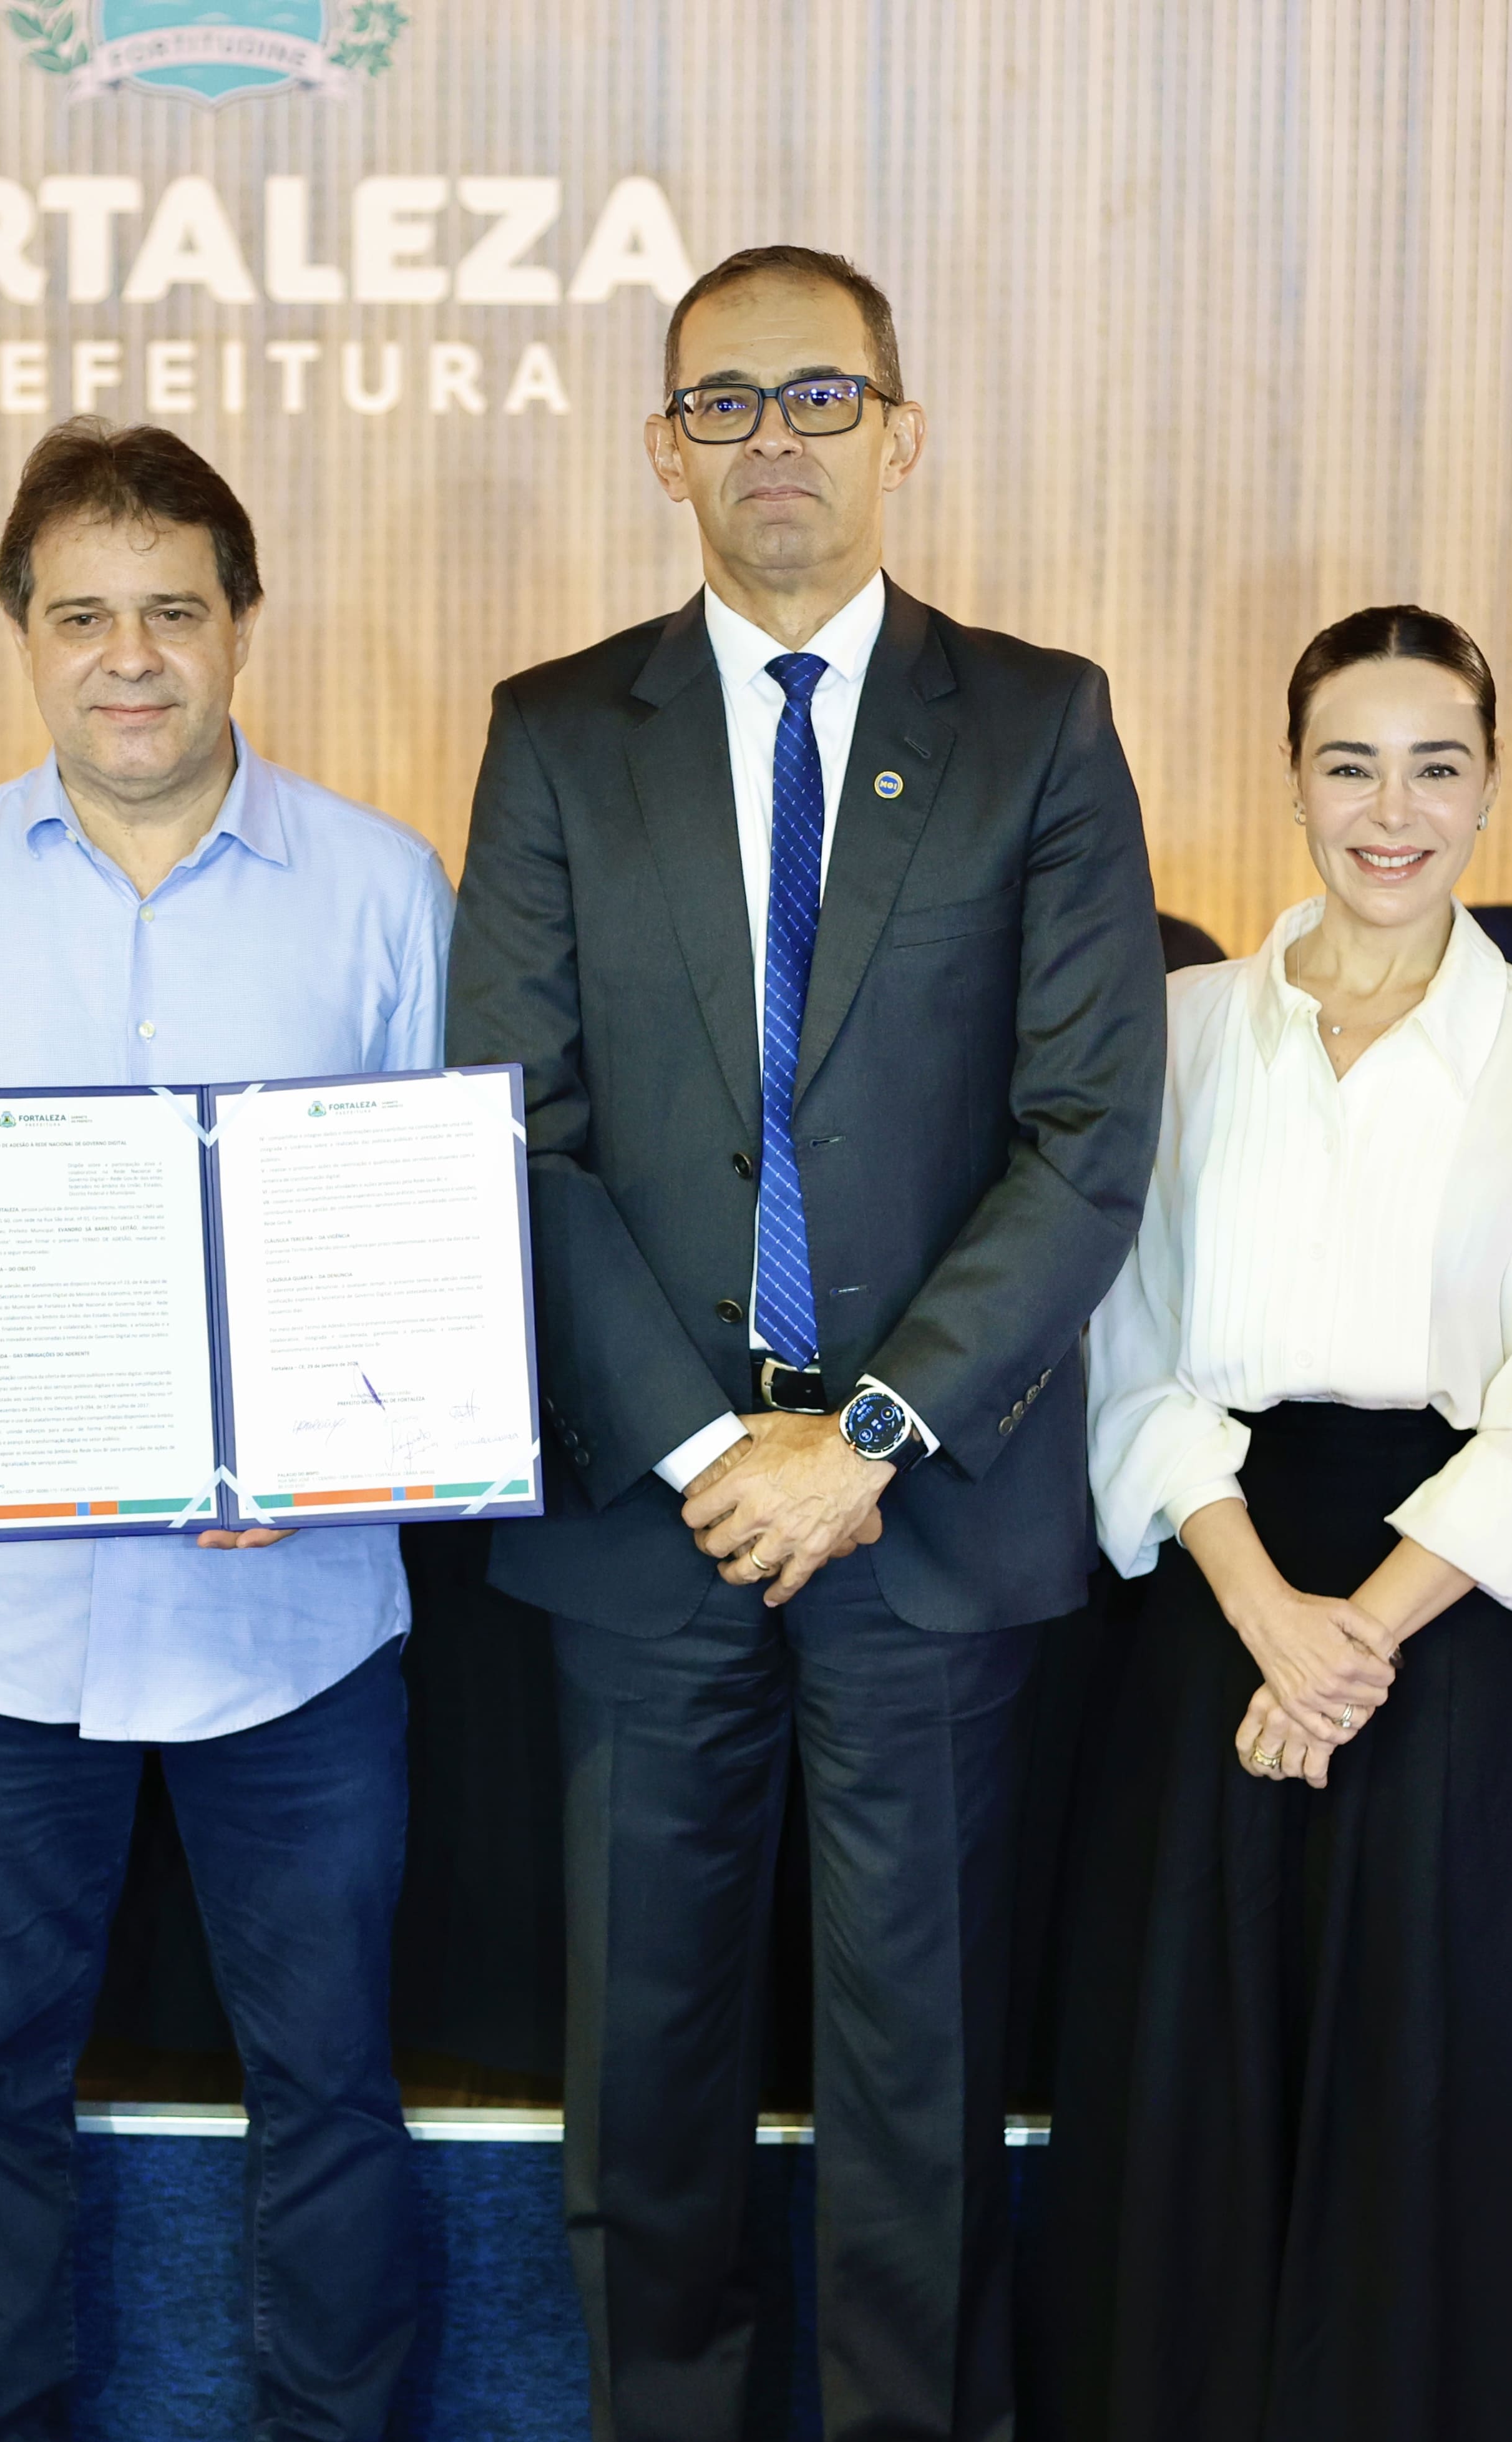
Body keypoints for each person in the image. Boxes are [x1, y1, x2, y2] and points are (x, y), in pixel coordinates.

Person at [446, 244, 1167, 2440]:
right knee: (644, 2078)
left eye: (821, 396)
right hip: (648, 1516)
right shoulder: (558, 733)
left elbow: (1087, 1134)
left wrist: (859, 1437)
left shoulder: (1037, 720)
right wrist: (705, 1450)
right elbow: (519, 1130)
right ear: (665, 450)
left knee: (917, 2085)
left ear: (902, 432)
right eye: (726, 402)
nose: (776, 439)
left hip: (919, 1514)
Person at [0, 418, 451, 2441]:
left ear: (244, 625)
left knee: (331, 2081)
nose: (128, 657)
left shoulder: (383, 888)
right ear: (24, 636)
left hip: (295, 1618)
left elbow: (445, 1232)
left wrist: (322, 1437)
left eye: (171, 611)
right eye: (82, 617)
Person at [1051, 607, 1512, 2440]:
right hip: (1215, 1592)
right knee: (1188, 2068)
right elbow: (1129, 1348)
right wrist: (1269, 1618)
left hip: (1447, 1618)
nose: (1394, 811)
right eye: (1352, 765)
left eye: (1436, 766)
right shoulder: (1181, 1030)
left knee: (1427, 2080)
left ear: (1491, 789)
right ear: (1293, 782)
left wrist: (1354, 1640)